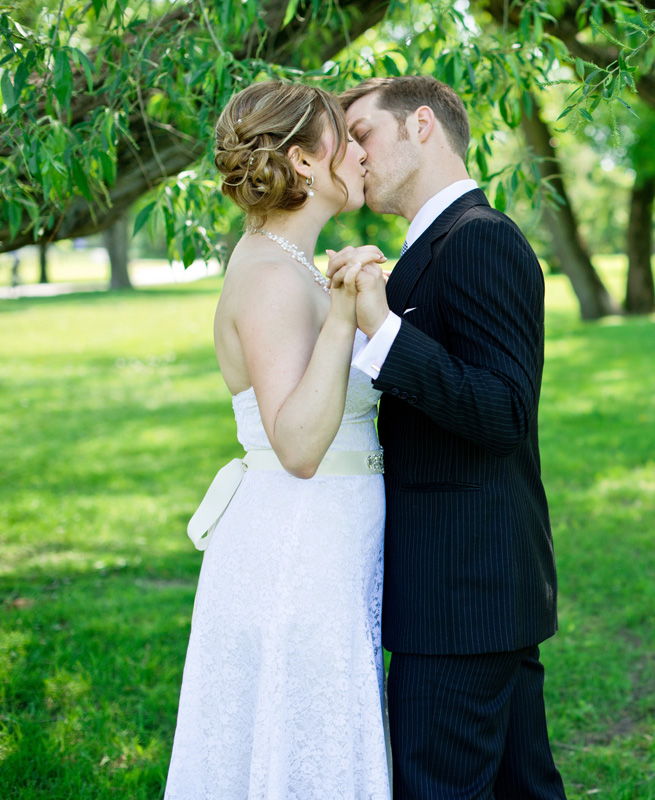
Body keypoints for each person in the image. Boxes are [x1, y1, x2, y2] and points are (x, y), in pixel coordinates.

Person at [327, 76, 567, 799]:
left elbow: (502, 413)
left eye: (361, 134)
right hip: (467, 590)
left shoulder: (481, 241)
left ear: (420, 126)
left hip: (462, 594)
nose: (353, 156)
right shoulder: (428, 251)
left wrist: (383, 329)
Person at [166, 81, 392, 799]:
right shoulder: (268, 275)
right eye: (345, 139)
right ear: (303, 163)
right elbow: (296, 446)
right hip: (295, 544)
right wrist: (342, 315)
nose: (360, 153)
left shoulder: (291, 264)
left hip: (326, 539)